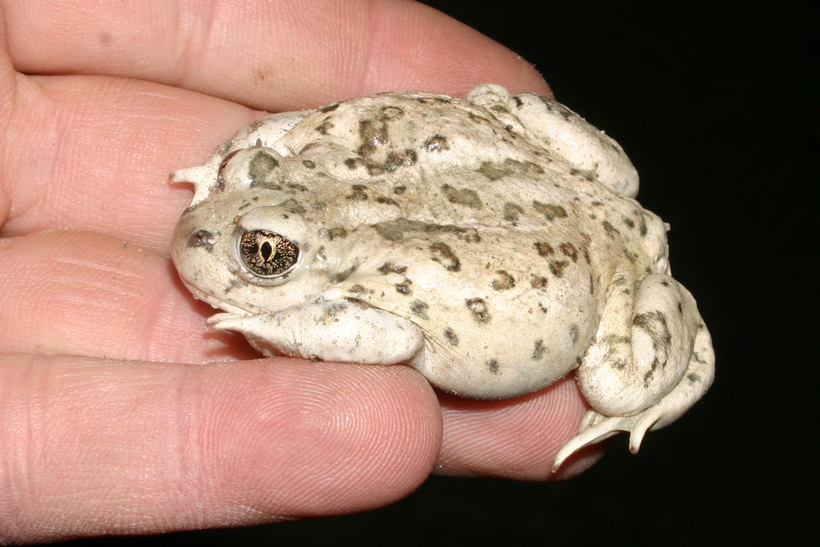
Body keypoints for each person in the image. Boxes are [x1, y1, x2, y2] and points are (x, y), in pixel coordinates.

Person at [0, 1, 598, 541]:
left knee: (617, 383)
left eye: (264, 256)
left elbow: (394, 335)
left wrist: (274, 327)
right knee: (497, 103)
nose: (199, 228)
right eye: (244, 171)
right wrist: (232, 167)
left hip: (600, 269)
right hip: (555, 182)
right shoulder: (312, 161)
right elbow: (275, 141)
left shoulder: (356, 280)